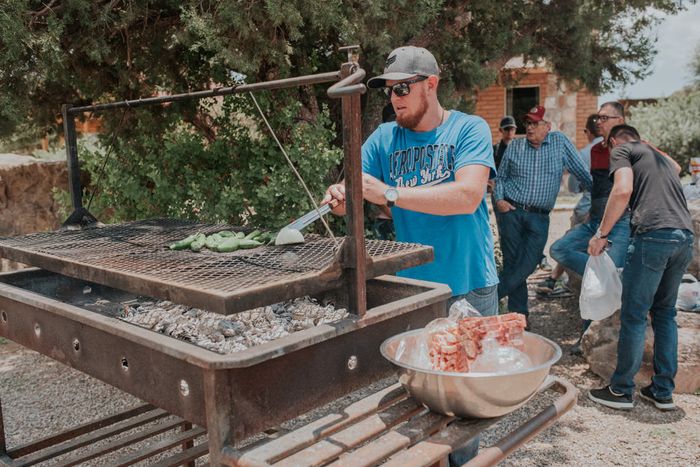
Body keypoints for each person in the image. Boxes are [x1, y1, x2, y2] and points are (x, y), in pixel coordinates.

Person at [323, 45, 497, 465]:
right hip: (416, 290)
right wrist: (342, 196)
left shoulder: (468, 129)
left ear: (430, 84)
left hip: (468, 286)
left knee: (465, 398)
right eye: (388, 90)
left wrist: (392, 194)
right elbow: (355, 187)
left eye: (403, 88)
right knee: (420, 391)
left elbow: (468, 196)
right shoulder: (385, 138)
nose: (394, 98)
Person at [588, 124, 691, 411]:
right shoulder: (657, 158)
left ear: (612, 142)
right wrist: (645, 143)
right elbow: (675, 164)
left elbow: (622, 191)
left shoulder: (621, 149)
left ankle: (621, 390)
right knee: (665, 313)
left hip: (653, 235)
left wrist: (601, 234)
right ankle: (662, 391)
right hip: (684, 236)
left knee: (634, 314)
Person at [493, 105, 592, 322]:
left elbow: (582, 172)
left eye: (535, 123)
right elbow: (501, 178)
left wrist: (602, 200)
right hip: (512, 211)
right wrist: (499, 200)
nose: (530, 127)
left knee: (528, 263)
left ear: (547, 126)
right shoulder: (516, 146)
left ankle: (489, 299)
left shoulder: (559, 142)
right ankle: (519, 318)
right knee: (512, 263)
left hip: (539, 217)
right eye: (528, 123)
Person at [536, 113, 602, 298]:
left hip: (587, 208)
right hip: (614, 211)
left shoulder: (585, 152)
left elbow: (573, 187)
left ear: (587, 132)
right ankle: (555, 278)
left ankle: (557, 279)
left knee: (568, 244)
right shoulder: (617, 148)